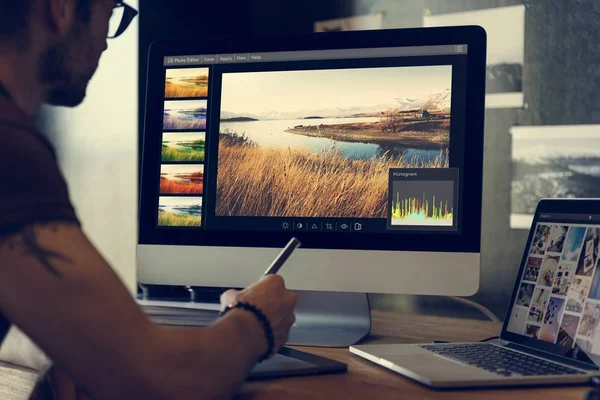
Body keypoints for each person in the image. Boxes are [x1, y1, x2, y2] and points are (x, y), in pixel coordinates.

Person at [0, 0, 297, 399]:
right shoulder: (11, 151)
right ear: (61, 9)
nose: (106, 44)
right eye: (109, 13)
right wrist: (257, 321)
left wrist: (77, 354)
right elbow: (168, 379)